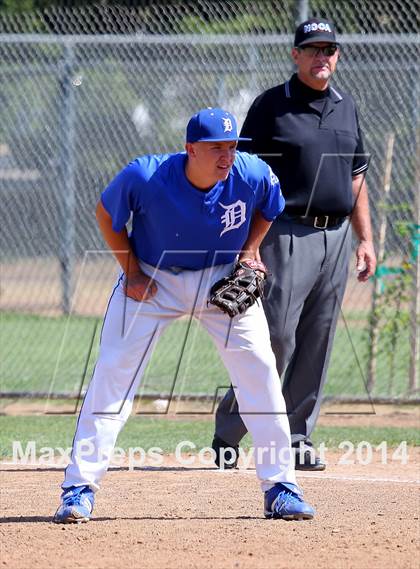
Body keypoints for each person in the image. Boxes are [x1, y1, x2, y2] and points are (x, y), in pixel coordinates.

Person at [53, 108, 315, 524]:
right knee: (112, 375)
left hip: (222, 278)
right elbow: (107, 215)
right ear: (190, 149)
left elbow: (270, 205)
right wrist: (132, 271)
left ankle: (281, 487)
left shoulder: (250, 172)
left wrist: (250, 252)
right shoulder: (146, 176)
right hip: (154, 278)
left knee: (260, 371)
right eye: (215, 148)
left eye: (231, 146)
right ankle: (78, 488)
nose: (226, 156)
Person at [213, 18, 377, 471]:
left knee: (317, 342)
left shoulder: (346, 106)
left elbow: (357, 176)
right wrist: (248, 246)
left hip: (337, 236)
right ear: (296, 55)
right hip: (284, 232)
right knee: (277, 338)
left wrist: (365, 239)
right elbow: (242, 176)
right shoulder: (271, 106)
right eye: (312, 48)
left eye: (329, 49)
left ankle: (298, 437)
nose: (322, 56)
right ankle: (229, 428)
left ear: (337, 56)